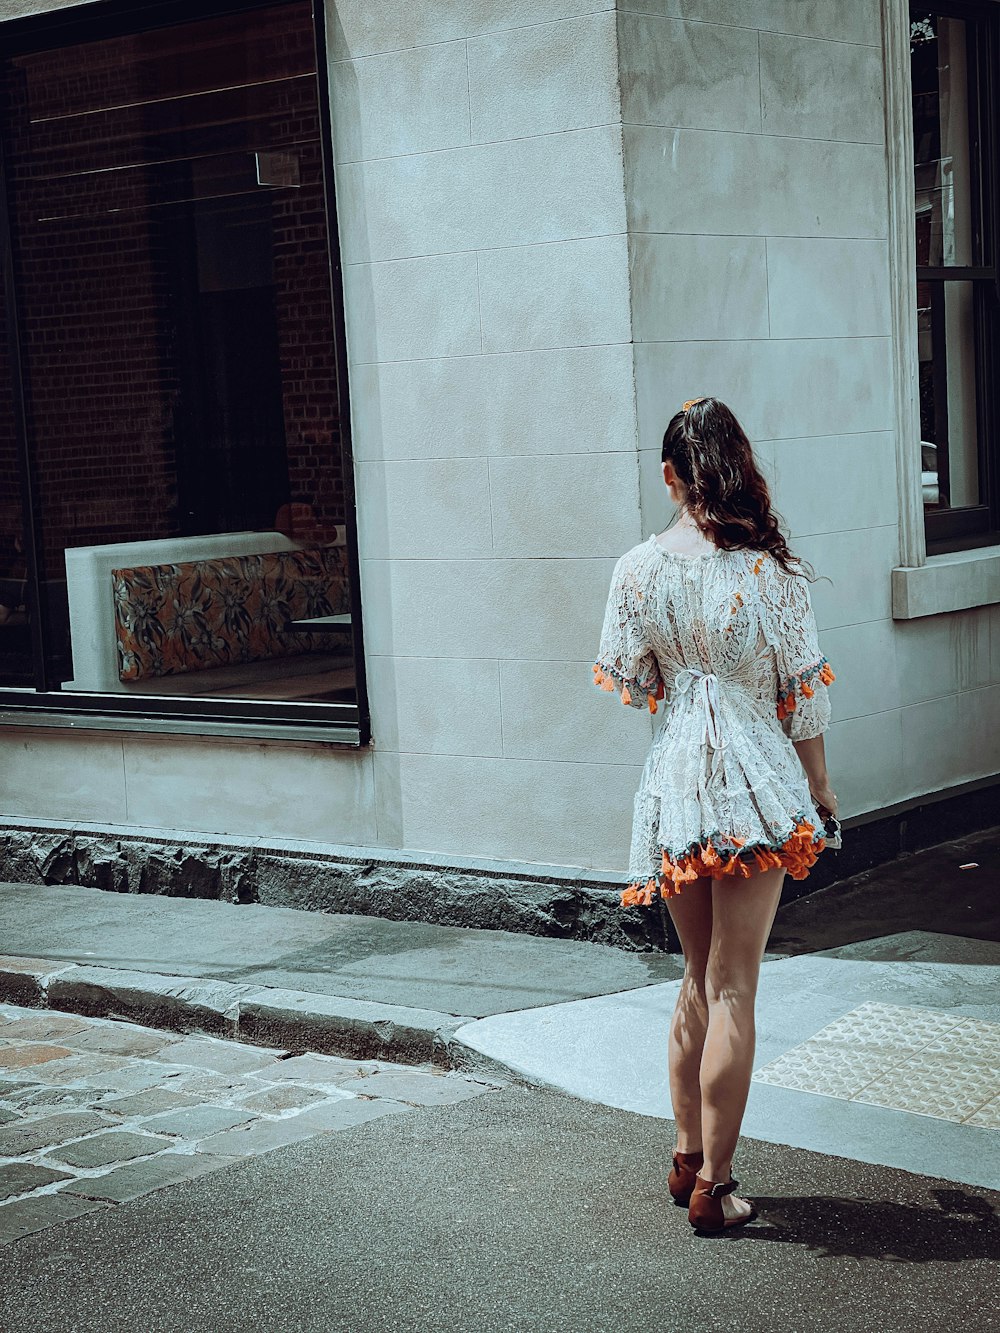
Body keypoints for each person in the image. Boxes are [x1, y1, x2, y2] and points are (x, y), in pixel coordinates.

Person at [593, 396, 838, 1235]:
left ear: (671, 476)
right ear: (738, 466)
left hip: (675, 789)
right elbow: (799, 700)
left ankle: (686, 1157)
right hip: (755, 787)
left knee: (694, 974)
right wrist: (822, 785)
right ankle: (717, 1188)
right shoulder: (773, 575)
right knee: (737, 982)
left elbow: (639, 685)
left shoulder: (635, 570)